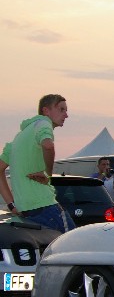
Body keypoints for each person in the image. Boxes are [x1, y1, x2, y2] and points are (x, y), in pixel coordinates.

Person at [0, 94, 75, 232]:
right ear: (46, 111)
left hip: (25, 212)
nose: (66, 115)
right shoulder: (44, 123)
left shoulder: (18, 138)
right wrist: (48, 174)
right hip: (47, 207)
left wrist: (11, 204)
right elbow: (48, 145)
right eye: (61, 109)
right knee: (73, 243)